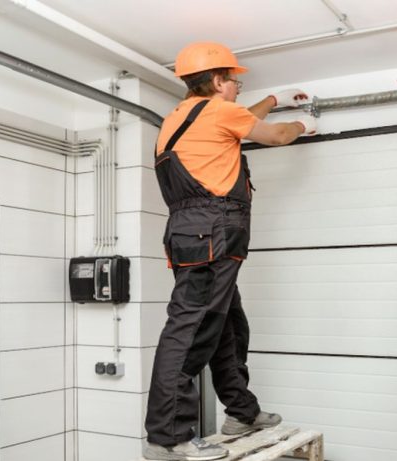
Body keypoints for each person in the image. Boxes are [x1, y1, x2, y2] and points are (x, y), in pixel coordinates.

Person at [144, 41, 316, 461]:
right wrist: (302, 124)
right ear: (218, 80)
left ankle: (242, 412)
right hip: (212, 231)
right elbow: (275, 135)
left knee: (228, 326)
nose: (238, 87)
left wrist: (272, 100)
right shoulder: (219, 112)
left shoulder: (183, 116)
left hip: (194, 232)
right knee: (192, 331)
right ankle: (167, 438)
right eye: (235, 81)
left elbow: (242, 121)